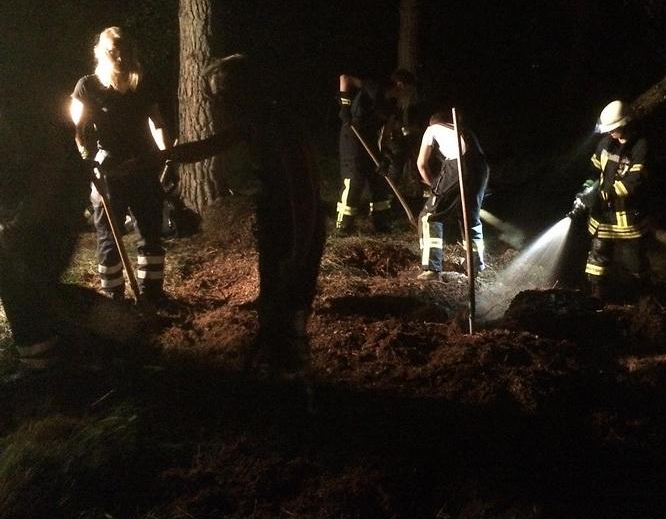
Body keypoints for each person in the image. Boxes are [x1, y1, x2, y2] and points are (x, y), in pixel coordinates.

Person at [131, 53, 326, 375]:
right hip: (276, 224)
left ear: (246, 88)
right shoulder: (256, 121)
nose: (219, 104)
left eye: (223, 93)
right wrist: (154, 159)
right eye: (214, 96)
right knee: (272, 308)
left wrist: (298, 254)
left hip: (296, 229)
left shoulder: (279, 125)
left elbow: (304, 195)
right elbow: (208, 146)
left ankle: (298, 385)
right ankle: (278, 371)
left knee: (290, 313)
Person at [70, 26, 173, 302]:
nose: (119, 56)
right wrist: (85, 160)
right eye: (113, 51)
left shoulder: (144, 83)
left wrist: (167, 156)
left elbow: (158, 123)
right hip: (108, 170)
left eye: (124, 50)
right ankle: (113, 294)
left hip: (144, 164)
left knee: (150, 230)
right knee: (108, 235)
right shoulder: (88, 86)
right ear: (103, 53)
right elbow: (77, 129)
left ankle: (153, 292)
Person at [0, 99, 86, 372]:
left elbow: (53, 165)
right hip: (27, 204)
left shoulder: (25, 109)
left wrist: (20, 221)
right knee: (25, 282)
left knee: (28, 280)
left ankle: (49, 361)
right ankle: (44, 357)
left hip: (56, 203)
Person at [573, 100, 650, 302]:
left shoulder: (641, 146)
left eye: (614, 128)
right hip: (603, 216)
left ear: (625, 123)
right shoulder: (606, 143)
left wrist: (600, 195)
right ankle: (597, 299)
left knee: (634, 262)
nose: (610, 133)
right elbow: (594, 170)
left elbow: (633, 183)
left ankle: (642, 303)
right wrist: (586, 189)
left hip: (629, 217)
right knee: (598, 258)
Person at [336, 70, 415, 234]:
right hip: (352, 133)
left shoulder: (393, 106)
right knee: (355, 177)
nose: (409, 94)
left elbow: (386, 132)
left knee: (379, 177)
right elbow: (346, 77)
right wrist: (345, 105)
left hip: (371, 138)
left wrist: (385, 154)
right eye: (409, 89)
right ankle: (344, 224)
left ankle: (381, 221)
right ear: (401, 85)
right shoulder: (374, 88)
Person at [416, 110, 489, 281]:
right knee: (469, 217)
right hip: (482, 167)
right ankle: (475, 267)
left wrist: (434, 186)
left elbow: (421, 164)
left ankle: (431, 269)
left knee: (429, 216)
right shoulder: (464, 130)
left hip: (458, 164)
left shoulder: (432, 128)